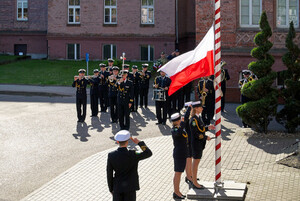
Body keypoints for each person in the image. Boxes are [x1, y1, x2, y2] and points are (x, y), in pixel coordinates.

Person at [107, 130, 152, 201]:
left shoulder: (111, 155)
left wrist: (111, 189)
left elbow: (109, 174)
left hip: (117, 187)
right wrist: (140, 143)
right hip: (130, 188)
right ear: (127, 141)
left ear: (117, 142)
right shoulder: (133, 154)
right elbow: (148, 153)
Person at [189, 101, 215, 189]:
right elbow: (196, 134)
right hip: (196, 144)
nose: (202, 108)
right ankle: (194, 182)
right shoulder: (193, 120)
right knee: (195, 163)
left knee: (196, 163)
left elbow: (201, 128)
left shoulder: (198, 117)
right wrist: (205, 137)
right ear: (196, 108)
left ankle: (194, 180)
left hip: (199, 144)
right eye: (200, 107)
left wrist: (208, 128)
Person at [171, 113, 188, 200]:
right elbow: (178, 133)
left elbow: (185, 121)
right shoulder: (175, 130)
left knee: (179, 173)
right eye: (180, 119)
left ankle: (178, 191)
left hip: (183, 153)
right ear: (177, 121)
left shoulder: (180, 127)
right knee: (178, 173)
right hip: (179, 154)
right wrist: (181, 125)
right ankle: (176, 192)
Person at [181, 102, 193, 185]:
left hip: (191, 142)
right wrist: (189, 108)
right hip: (187, 143)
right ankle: (188, 176)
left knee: (190, 159)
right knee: (188, 160)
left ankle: (190, 175)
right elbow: (185, 118)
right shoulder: (185, 117)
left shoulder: (191, 117)